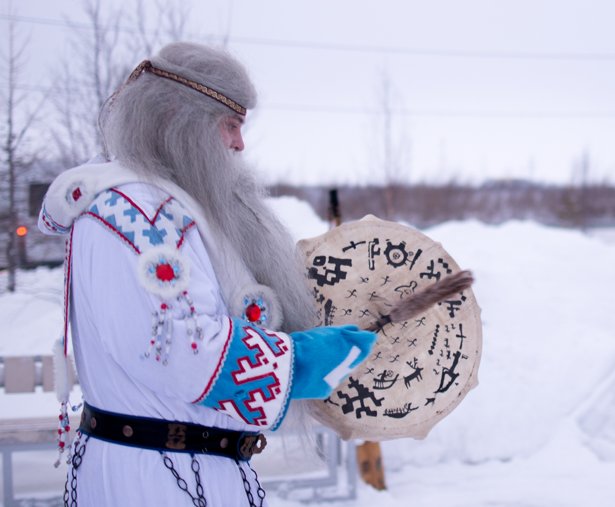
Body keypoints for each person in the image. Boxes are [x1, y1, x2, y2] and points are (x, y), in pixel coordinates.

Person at [38, 42, 377, 507]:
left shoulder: (163, 206)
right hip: (159, 479)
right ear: (182, 121)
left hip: (177, 467)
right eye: (230, 125)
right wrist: (298, 361)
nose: (240, 144)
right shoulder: (140, 212)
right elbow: (177, 349)